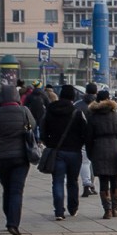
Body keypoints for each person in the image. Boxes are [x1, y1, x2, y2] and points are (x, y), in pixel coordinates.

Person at [0, 85, 37, 235]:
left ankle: (9, 217)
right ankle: (13, 223)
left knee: (7, 189)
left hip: (1, 157)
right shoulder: (24, 111)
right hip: (20, 157)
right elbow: (32, 125)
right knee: (16, 191)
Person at [39, 85, 87, 221]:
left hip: (56, 151)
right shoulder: (77, 113)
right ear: (73, 97)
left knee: (57, 181)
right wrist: (80, 143)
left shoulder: (50, 110)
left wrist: (49, 142)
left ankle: (59, 211)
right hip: (74, 151)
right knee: (73, 181)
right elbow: (85, 132)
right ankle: (73, 208)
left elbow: (42, 130)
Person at [86, 90, 117, 219]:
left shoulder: (93, 117)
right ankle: (115, 208)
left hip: (98, 148)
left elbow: (88, 138)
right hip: (114, 147)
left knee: (103, 180)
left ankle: (107, 210)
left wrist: (90, 153)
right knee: (115, 179)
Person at [74, 82, 98, 197]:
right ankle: (92, 184)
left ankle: (87, 184)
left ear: (86, 91)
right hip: (98, 137)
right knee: (93, 162)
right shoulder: (100, 104)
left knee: (85, 162)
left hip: (81, 136)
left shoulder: (78, 105)